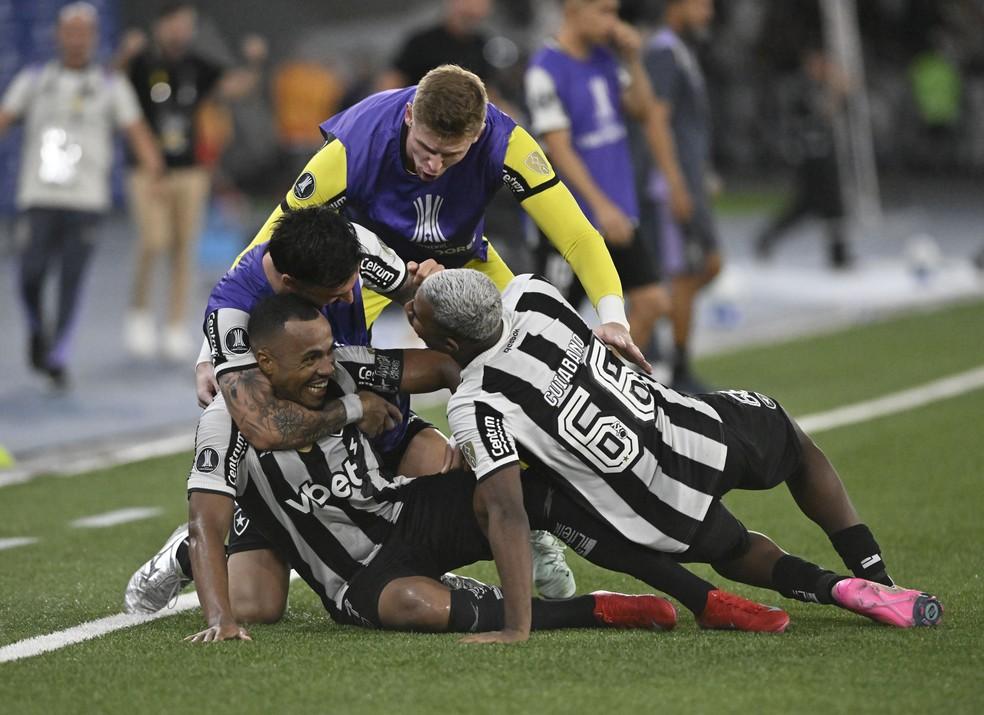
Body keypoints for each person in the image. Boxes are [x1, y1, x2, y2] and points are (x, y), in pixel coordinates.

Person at [404, 268, 944, 633]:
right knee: (796, 447)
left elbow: (504, 510)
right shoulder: (530, 293)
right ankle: (874, 574)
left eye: (417, 318)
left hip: (656, 504)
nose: (409, 312)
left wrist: (517, 626)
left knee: (731, 550)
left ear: (450, 345)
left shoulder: (476, 401)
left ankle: (835, 588)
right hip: (690, 428)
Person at [184, 292, 680, 643]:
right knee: (413, 607)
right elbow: (205, 523)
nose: (324, 367)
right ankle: (591, 609)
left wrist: (474, 430)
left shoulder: (345, 368)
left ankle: (686, 584)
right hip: (356, 577)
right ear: (264, 362)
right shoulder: (224, 424)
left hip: (402, 512)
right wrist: (220, 620)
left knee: (527, 492)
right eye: (310, 357)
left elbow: (446, 365)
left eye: (328, 350)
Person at [243, 64, 649, 374]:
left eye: (450, 155)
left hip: (461, 263)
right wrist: (215, 346)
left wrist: (614, 319)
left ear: (477, 134)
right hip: (361, 271)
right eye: (424, 148)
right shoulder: (355, 146)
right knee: (325, 375)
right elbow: (269, 242)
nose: (433, 167)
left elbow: (577, 234)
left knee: (538, 361)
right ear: (408, 116)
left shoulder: (506, 143)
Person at [0, 2, 162, 388]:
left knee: (71, 279)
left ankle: (57, 355)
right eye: (68, 32)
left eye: (82, 33)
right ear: (58, 36)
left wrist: (155, 170)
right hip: (39, 196)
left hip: (86, 201)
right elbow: (5, 118)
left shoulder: (110, 86)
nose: (75, 40)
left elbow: (137, 133)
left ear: (92, 38)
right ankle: (39, 330)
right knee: (30, 274)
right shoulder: (35, 79)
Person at [115, 1, 267, 361]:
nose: (181, 31)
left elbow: (235, 86)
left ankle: (174, 324)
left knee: (185, 248)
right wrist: (124, 53)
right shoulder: (141, 61)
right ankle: (139, 312)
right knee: (153, 240)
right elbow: (110, 83)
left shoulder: (198, 65)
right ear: (160, 26)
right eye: (175, 24)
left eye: (187, 24)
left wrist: (256, 63)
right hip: (147, 168)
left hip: (190, 170)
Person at [525, 0, 667, 358]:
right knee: (554, 327)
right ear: (575, 8)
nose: (613, 22)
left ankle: (614, 388)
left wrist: (634, 59)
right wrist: (600, 207)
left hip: (618, 208)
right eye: (605, 11)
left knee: (650, 302)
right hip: (572, 219)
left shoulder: (605, 58)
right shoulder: (545, 68)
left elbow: (642, 108)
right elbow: (559, 148)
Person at [639, 0, 721, 391]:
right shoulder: (663, 51)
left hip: (687, 178)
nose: (708, 12)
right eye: (701, 3)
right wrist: (674, 181)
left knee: (697, 270)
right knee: (687, 272)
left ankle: (664, 357)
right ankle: (668, 364)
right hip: (669, 186)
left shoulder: (679, 51)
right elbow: (656, 118)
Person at [754, 45, 851, 268]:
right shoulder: (800, 88)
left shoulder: (819, 85)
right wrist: (836, 93)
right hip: (810, 156)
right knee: (807, 205)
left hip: (824, 152)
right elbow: (821, 111)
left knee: (832, 205)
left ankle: (838, 253)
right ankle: (768, 238)